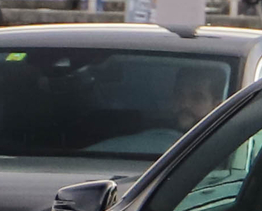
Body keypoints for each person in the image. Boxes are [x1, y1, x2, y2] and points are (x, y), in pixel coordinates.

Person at [88, 63, 229, 154]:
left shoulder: (223, 152)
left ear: (217, 106)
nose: (184, 104)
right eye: (179, 95)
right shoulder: (135, 139)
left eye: (197, 98)